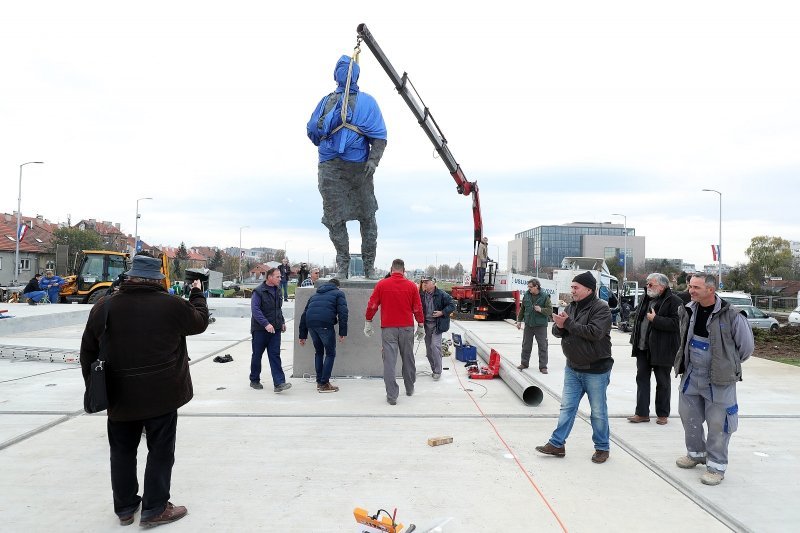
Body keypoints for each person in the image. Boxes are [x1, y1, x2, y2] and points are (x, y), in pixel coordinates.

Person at [79, 255, 209, 527]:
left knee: (122, 451)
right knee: (160, 450)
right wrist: (197, 293)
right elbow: (199, 322)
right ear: (156, 280)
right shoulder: (171, 305)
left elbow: (88, 353)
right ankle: (154, 508)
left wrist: (95, 386)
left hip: (119, 395)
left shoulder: (104, 306)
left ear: (129, 277)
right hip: (162, 393)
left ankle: (125, 507)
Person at [307, 55, 387, 279]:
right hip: (330, 167)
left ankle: (369, 265)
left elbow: (379, 136)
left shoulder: (368, 102)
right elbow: (313, 131)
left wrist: (373, 160)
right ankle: (342, 264)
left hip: (359, 168)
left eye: (348, 70)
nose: (345, 74)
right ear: (335, 74)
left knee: (368, 216)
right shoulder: (325, 101)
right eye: (341, 70)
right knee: (334, 219)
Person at [674, 273, 754, 486]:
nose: (691, 290)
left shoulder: (732, 315)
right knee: (688, 415)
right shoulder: (688, 310)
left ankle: (716, 466)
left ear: (711, 289)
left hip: (719, 379)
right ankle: (696, 454)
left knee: (719, 422)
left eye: (696, 287)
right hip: (692, 374)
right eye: (690, 286)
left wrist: (727, 366)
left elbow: (746, 349)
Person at [536, 271, 613, 464]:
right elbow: (558, 332)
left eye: (575, 287)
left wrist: (567, 323)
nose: (572, 291)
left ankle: (602, 448)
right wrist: (559, 326)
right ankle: (557, 444)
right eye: (572, 287)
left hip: (596, 369)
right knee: (567, 408)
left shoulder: (601, 309)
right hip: (573, 368)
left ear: (589, 289)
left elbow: (594, 332)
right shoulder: (571, 307)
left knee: (598, 412)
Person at [364, 259, 424, 405]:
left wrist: (368, 321)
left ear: (391, 270)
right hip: (407, 328)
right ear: (404, 270)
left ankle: (392, 396)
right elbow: (417, 307)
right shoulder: (411, 286)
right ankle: (409, 388)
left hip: (388, 329)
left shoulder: (382, 284)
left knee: (389, 362)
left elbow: (372, 304)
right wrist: (421, 324)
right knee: (408, 358)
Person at [627, 273, 683, 425]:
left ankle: (663, 414)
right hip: (642, 347)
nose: (647, 287)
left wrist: (656, 320)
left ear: (662, 286)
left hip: (662, 349)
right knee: (642, 380)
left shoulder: (674, 301)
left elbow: (677, 324)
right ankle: (642, 413)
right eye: (647, 284)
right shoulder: (645, 298)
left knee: (663, 382)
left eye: (651, 284)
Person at [298, 277, 348, 392]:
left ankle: (319, 381)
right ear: (337, 286)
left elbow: (303, 315)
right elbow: (343, 313)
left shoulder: (314, 296)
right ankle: (324, 383)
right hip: (325, 324)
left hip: (311, 324)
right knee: (330, 353)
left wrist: (302, 335)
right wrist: (342, 332)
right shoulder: (338, 293)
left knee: (319, 352)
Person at [250, 267, 291, 392]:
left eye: (280, 276)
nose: (280, 279)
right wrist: (266, 324)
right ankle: (254, 379)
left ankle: (279, 383)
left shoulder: (278, 290)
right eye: (277, 276)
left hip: (275, 330)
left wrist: (282, 322)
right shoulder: (258, 292)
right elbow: (255, 310)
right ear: (269, 277)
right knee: (257, 355)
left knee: (275, 355)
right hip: (260, 330)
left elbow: (278, 309)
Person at [419, 277, 455, 381]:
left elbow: (452, 305)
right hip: (426, 325)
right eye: (423, 282)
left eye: (427, 282)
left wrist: (442, 312)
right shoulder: (421, 295)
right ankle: (434, 369)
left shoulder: (442, 294)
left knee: (435, 346)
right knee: (429, 350)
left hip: (437, 325)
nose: (424, 284)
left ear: (434, 283)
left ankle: (438, 371)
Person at [516, 278, 553, 373]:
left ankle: (543, 367)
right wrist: (519, 320)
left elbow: (550, 310)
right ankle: (524, 363)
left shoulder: (545, 296)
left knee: (543, 346)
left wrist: (541, 310)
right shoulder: (527, 295)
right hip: (528, 324)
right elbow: (522, 309)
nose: (529, 289)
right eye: (528, 287)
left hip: (540, 325)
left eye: (531, 287)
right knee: (526, 345)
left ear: (536, 286)